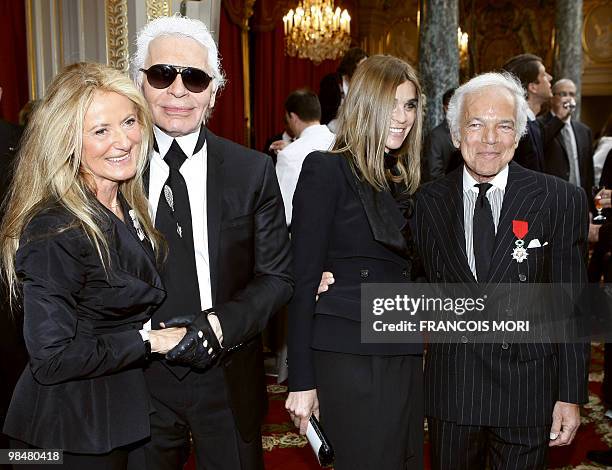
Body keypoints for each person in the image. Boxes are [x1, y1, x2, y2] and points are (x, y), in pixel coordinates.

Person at [0, 62, 186, 469]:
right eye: (101, 131)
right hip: (61, 434)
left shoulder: (124, 203)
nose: (123, 141)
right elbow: (51, 358)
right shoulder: (55, 225)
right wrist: (149, 342)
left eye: (129, 122)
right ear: (69, 142)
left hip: (116, 416)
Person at [131, 15, 293, 470]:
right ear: (140, 84)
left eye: (195, 78)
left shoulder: (251, 171)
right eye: (163, 75)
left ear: (214, 91)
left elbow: (277, 276)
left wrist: (218, 327)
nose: (178, 91)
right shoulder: (114, 170)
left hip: (226, 373)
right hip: (138, 379)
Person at [411, 72, 590, 469]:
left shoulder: (559, 199)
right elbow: (413, 277)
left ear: (518, 134)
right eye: (476, 124)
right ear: (456, 135)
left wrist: (570, 393)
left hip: (527, 392)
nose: (490, 138)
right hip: (453, 392)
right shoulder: (427, 203)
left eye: (503, 125)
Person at [286, 55, 425, 470]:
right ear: (365, 104)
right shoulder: (326, 169)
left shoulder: (402, 179)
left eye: (410, 105)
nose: (402, 117)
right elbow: (304, 278)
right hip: (349, 355)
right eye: (392, 104)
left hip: (402, 349)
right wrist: (302, 382)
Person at [276, 89, 335, 226]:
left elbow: (284, 213)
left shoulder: (289, 155)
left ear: (293, 118)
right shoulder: (341, 143)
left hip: (307, 232)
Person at [502, 53, 569, 172]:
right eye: (544, 74)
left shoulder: (531, 122)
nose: (550, 77)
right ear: (533, 87)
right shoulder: (516, 126)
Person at [538, 78, 594, 197]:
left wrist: (590, 207)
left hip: (579, 199)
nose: (568, 98)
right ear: (552, 98)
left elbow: (589, 172)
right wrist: (558, 119)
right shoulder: (538, 125)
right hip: (552, 198)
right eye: (563, 94)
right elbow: (538, 147)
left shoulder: (584, 131)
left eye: (572, 94)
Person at [422, 87, 461, 181]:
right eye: (452, 107)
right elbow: (434, 173)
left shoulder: (470, 130)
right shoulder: (436, 136)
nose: (457, 110)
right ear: (445, 108)